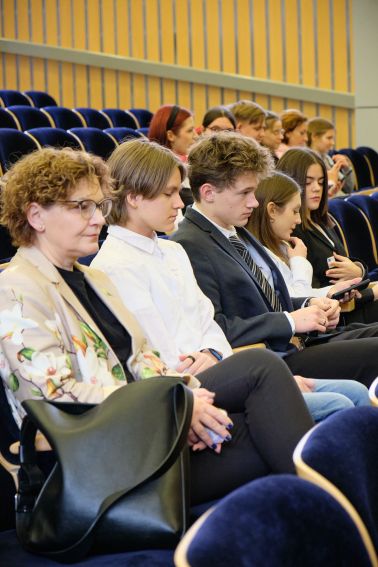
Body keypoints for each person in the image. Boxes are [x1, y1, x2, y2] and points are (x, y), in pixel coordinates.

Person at [0, 147, 315, 505]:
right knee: (269, 411)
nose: (98, 219)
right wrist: (175, 403)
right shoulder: (15, 289)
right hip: (94, 461)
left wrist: (192, 400)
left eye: (99, 206)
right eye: (81, 207)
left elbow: (143, 358)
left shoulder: (93, 279)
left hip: (145, 432)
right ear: (36, 215)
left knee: (266, 428)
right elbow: (54, 396)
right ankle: (329, 514)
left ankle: (322, 514)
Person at [92, 138, 369, 420]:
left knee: (354, 392)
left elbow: (207, 322)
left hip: (232, 361)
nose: (179, 202)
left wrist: (214, 351)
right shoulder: (125, 263)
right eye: (169, 193)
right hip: (202, 379)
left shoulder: (175, 249)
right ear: (134, 198)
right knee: (339, 398)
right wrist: (283, 330)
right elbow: (162, 352)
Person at [171, 132, 378, 387]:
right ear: (208, 192)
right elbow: (217, 326)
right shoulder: (189, 243)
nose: (254, 202)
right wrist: (291, 320)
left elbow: (267, 299)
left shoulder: (234, 229)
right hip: (270, 358)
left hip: (295, 341)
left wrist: (311, 303)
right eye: (245, 193)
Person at [277, 147, 378, 324]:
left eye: (321, 182)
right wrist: (371, 293)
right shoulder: (293, 231)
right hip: (339, 316)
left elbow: (344, 260)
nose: (316, 188)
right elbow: (312, 291)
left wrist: (358, 269)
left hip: (352, 302)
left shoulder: (322, 221)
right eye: (308, 183)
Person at [247, 171, 366, 300]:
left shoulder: (281, 245)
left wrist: (331, 291)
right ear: (272, 210)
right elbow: (298, 303)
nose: (298, 220)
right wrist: (299, 261)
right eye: (294, 211)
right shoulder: (255, 255)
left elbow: (303, 294)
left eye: (321, 182)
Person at [307, 117, 354, 196]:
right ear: (314, 137)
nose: (332, 143)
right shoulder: (308, 160)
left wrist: (346, 168)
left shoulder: (327, 158)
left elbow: (348, 189)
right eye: (329, 138)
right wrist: (330, 181)